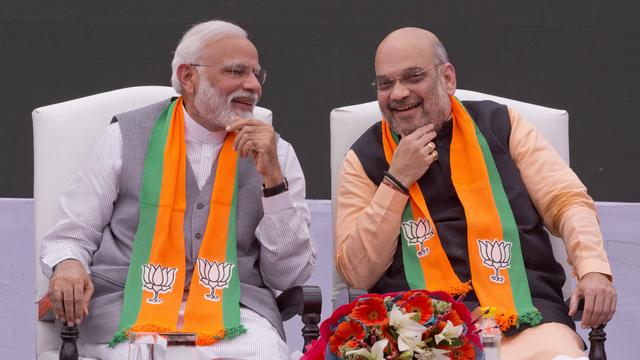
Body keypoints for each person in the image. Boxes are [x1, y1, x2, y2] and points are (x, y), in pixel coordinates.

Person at [41, 20, 316, 359]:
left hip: (235, 313)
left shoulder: (278, 154)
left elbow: (289, 275)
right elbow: (71, 235)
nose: (252, 86)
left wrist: (273, 182)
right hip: (129, 307)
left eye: (257, 75)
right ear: (188, 77)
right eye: (236, 71)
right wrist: (69, 265)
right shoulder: (124, 139)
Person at [334, 27, 616, 359]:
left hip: (525, 317)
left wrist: (593, 268)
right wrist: (396, 180)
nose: (398, 93)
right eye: (386, 84)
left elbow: (566, 200)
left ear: (448, 78)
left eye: (413, 77)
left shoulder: (502, 126)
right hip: (414, 330)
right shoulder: (364, 158)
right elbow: (357, 271)